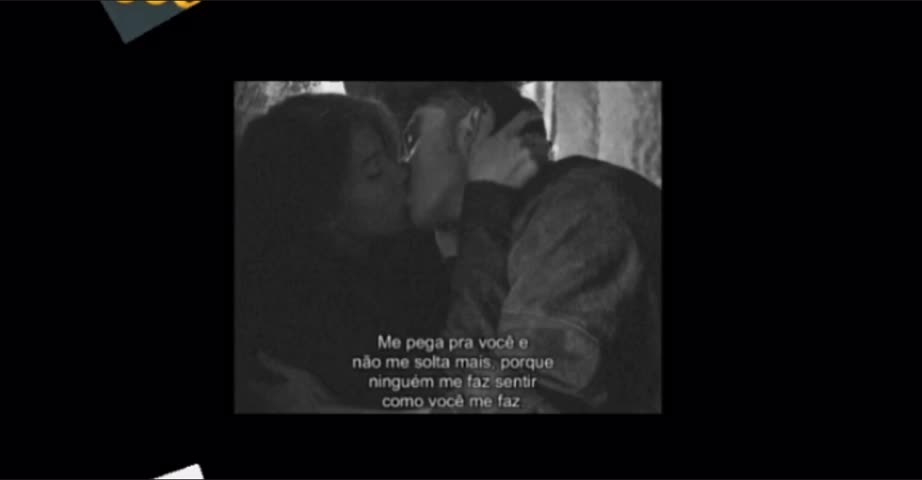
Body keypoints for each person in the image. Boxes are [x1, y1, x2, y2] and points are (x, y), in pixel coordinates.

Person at [234, 92, 542, 413]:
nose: (403, 172)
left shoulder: (397, 250)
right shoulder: (296, 312)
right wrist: (487, 204)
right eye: (374, 173)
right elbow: (463, 386)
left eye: (393, 156)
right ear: (323, 213)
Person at [399, 82, 662, 413]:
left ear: (472, 128)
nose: (401, 165)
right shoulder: (500, 230)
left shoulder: (579, 210)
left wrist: (484, 205)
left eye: (412, 139)